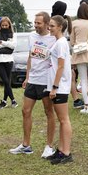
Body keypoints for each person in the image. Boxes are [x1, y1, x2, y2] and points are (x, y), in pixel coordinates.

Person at [9, 12, 56, 158]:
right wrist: (27, 77)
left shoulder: (54, 38)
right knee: (25, 111)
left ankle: (49, 146)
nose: (35, 25)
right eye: (35, 22)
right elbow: (31, 56)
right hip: (33, 80)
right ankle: (26, 145)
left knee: (49, 112)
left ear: (47, 24)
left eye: (39, 23)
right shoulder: (32, 36)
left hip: (46, 80)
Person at [46, 15, 73, 164]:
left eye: (52, 26)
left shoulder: (62, 43)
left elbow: (61, 66)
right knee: (62, 120)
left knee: (64, 120)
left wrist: (55, 87)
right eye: (49, 26)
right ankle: (61, 150)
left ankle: (66, 152)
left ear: (60, 27)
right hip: (57, 87)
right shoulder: (58, 42)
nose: (49, 28)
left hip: (60, 87)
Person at [51, 1, 84, 109]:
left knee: (71, 76)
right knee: (70, 76)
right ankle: (75, 99)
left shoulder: (55, 22)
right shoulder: (62, 22)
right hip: (61, 55)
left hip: (59, 54)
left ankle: (75, 98)